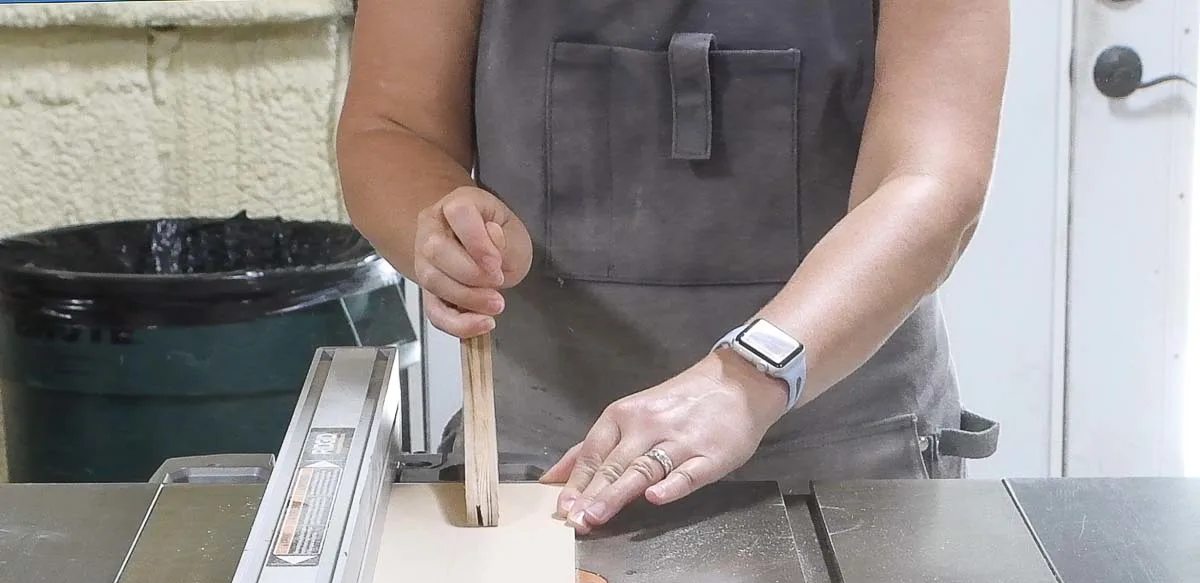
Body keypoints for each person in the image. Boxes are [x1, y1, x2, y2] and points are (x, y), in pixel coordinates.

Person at [337, 0, 1009, 533]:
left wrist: (749, 374)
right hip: (544, 470)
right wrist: (435, 222)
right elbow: (391, 130)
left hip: (849, 458)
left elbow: (930, 183)